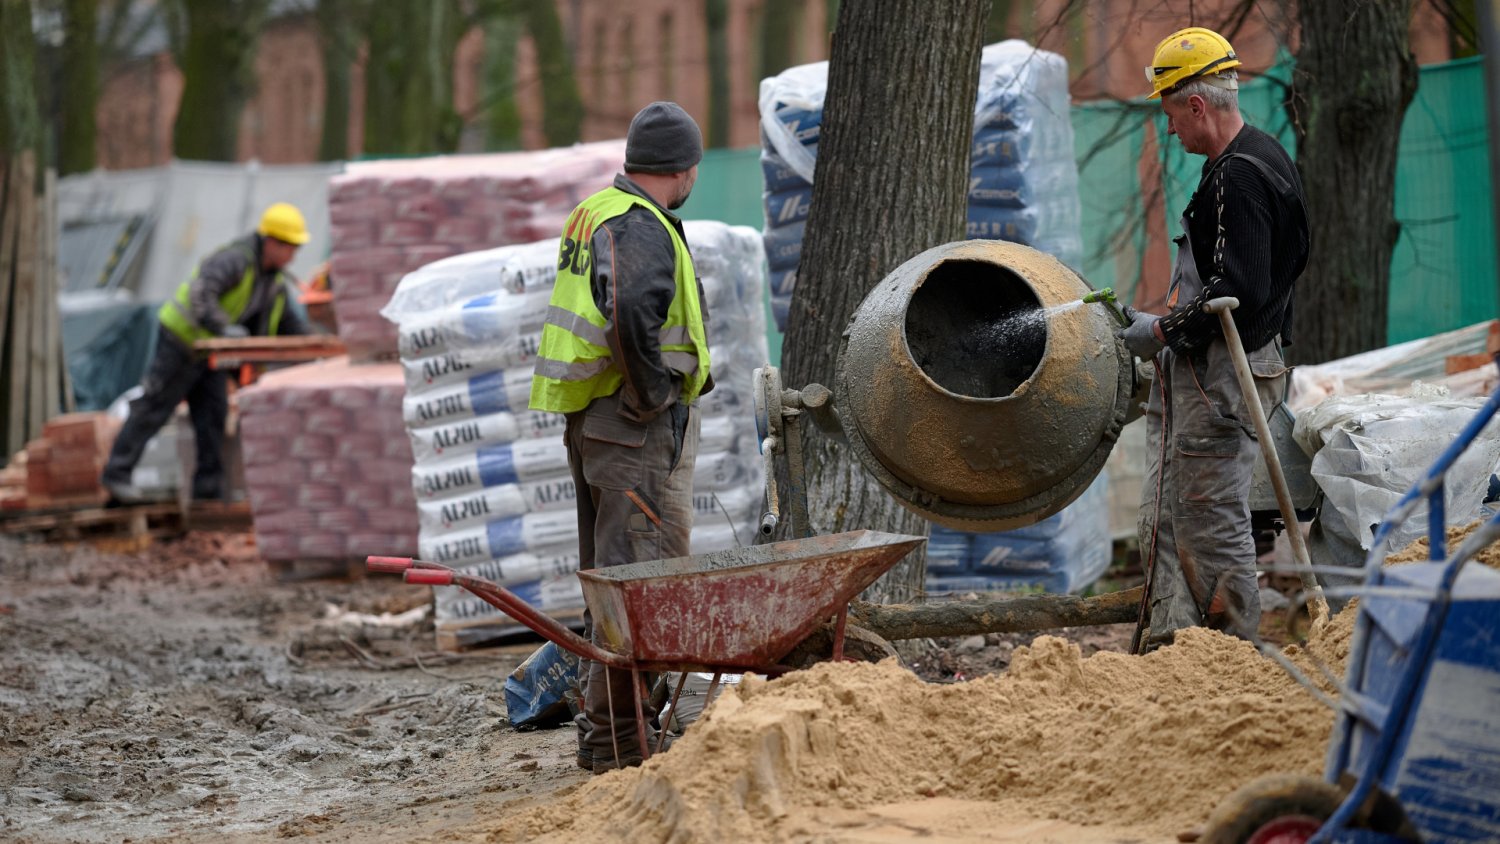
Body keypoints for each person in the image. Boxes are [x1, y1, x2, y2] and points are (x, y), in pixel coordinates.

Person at [528, 102, 713, 774]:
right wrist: (653, 392)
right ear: (685, 167)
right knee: (640, 586)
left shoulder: (599, 209)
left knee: (611, 584)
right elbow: (631, 307)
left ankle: (617, 735)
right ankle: (617, 748)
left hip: (596, 426)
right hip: (630, 431)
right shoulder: (640, 224)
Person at [1120, 28, 1310, 650]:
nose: (1170, 129)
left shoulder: (1240, 178)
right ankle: (1178, 647)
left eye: (1171, 112)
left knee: (1208, 522)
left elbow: (1239, 289)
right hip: (1230, 362)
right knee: (1183, 514)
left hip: (1225, 370)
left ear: (1196, 105)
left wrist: (1163, 329)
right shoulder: (1261, 156)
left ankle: (1229, 656)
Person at [102, 202, 313, 503]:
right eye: (290, 247)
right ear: (272, 242)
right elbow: (203, 292)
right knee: (155, 405)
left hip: (211, 354)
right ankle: (117, 475)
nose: (293, 255)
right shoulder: (234, 260)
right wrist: (223, 327)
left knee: (213, 416)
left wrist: (320, 346)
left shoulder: (272, 283)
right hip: (182, 341)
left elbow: (288, 324)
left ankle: (207, 493)